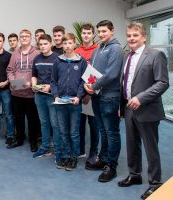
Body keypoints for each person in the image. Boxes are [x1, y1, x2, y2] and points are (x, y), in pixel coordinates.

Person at [117, 23, 169, 200]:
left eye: (135, 35)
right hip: (129, 108)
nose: (131, 38)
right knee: (132, 144)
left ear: (144, 37)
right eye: (129, 35)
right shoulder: (126, 56)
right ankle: (134, 175)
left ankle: (155, 183)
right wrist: (121, 105)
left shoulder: (155, 55)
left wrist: (141, 98)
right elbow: (124, 82)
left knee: (150, 147)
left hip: (147, 109)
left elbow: (162, 83)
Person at [84, 20, 124, 182]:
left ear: (112, 31)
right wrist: (88, 84)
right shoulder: (99, 48)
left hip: (110, 97)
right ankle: (103, 159)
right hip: (96, 96)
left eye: (104, 31)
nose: (101, 34)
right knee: (102, 130)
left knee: (112, 132)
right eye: (99, 32)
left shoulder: (116, 49)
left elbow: (112, 74)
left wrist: (93, 86)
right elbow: (92, 71)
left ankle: (111, 166)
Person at [51, 33, 87, 171]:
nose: (67, 46)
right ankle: (65, 155)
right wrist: (55, 96)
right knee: (63, 131)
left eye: (70, 43)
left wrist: (79, 96)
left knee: (74, 132)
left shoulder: (81, 61)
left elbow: (83, 81)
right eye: (65, 43)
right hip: (60, 102)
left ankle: (74, 157)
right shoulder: (57, 61)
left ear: (74, 44)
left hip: (74, 102)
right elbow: (53, 81)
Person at [7, 29, 40, 152]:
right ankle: (19, 139)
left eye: (26, 36)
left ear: (30, 38)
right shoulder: (15, 53)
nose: (24, 38)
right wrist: (12, 80)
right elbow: (10, 70)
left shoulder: (36, 53)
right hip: (16, 92)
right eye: (22, 36)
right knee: (18, 118)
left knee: (32, 119)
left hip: (31, 93)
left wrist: (31, 83)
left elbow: (39, 72)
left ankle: (33, 141)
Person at [31, 34, 61, 162]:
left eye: (45, 44)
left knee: (55, 124)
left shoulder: (57, 59)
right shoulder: (36, 58)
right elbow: (34, 75)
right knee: (43, 123)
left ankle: (59, 151)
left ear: (50, 44)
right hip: (39, 96)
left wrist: (50, 86)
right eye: (40, 44)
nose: (42, 46)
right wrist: (33, 85)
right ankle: (45, 147)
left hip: (52, 96)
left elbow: (61, 78)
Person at [74, 23, 100, 166]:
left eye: (88, 33)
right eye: (83, 33)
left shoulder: (98, 50)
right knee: (79, 124)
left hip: (92, 94)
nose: (86, 35)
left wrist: (89, 93)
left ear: (93, 34)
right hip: (79, 93)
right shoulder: (77, 50)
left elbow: (96, 73)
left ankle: (93, 153)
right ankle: (80, 150)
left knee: (94, 125)